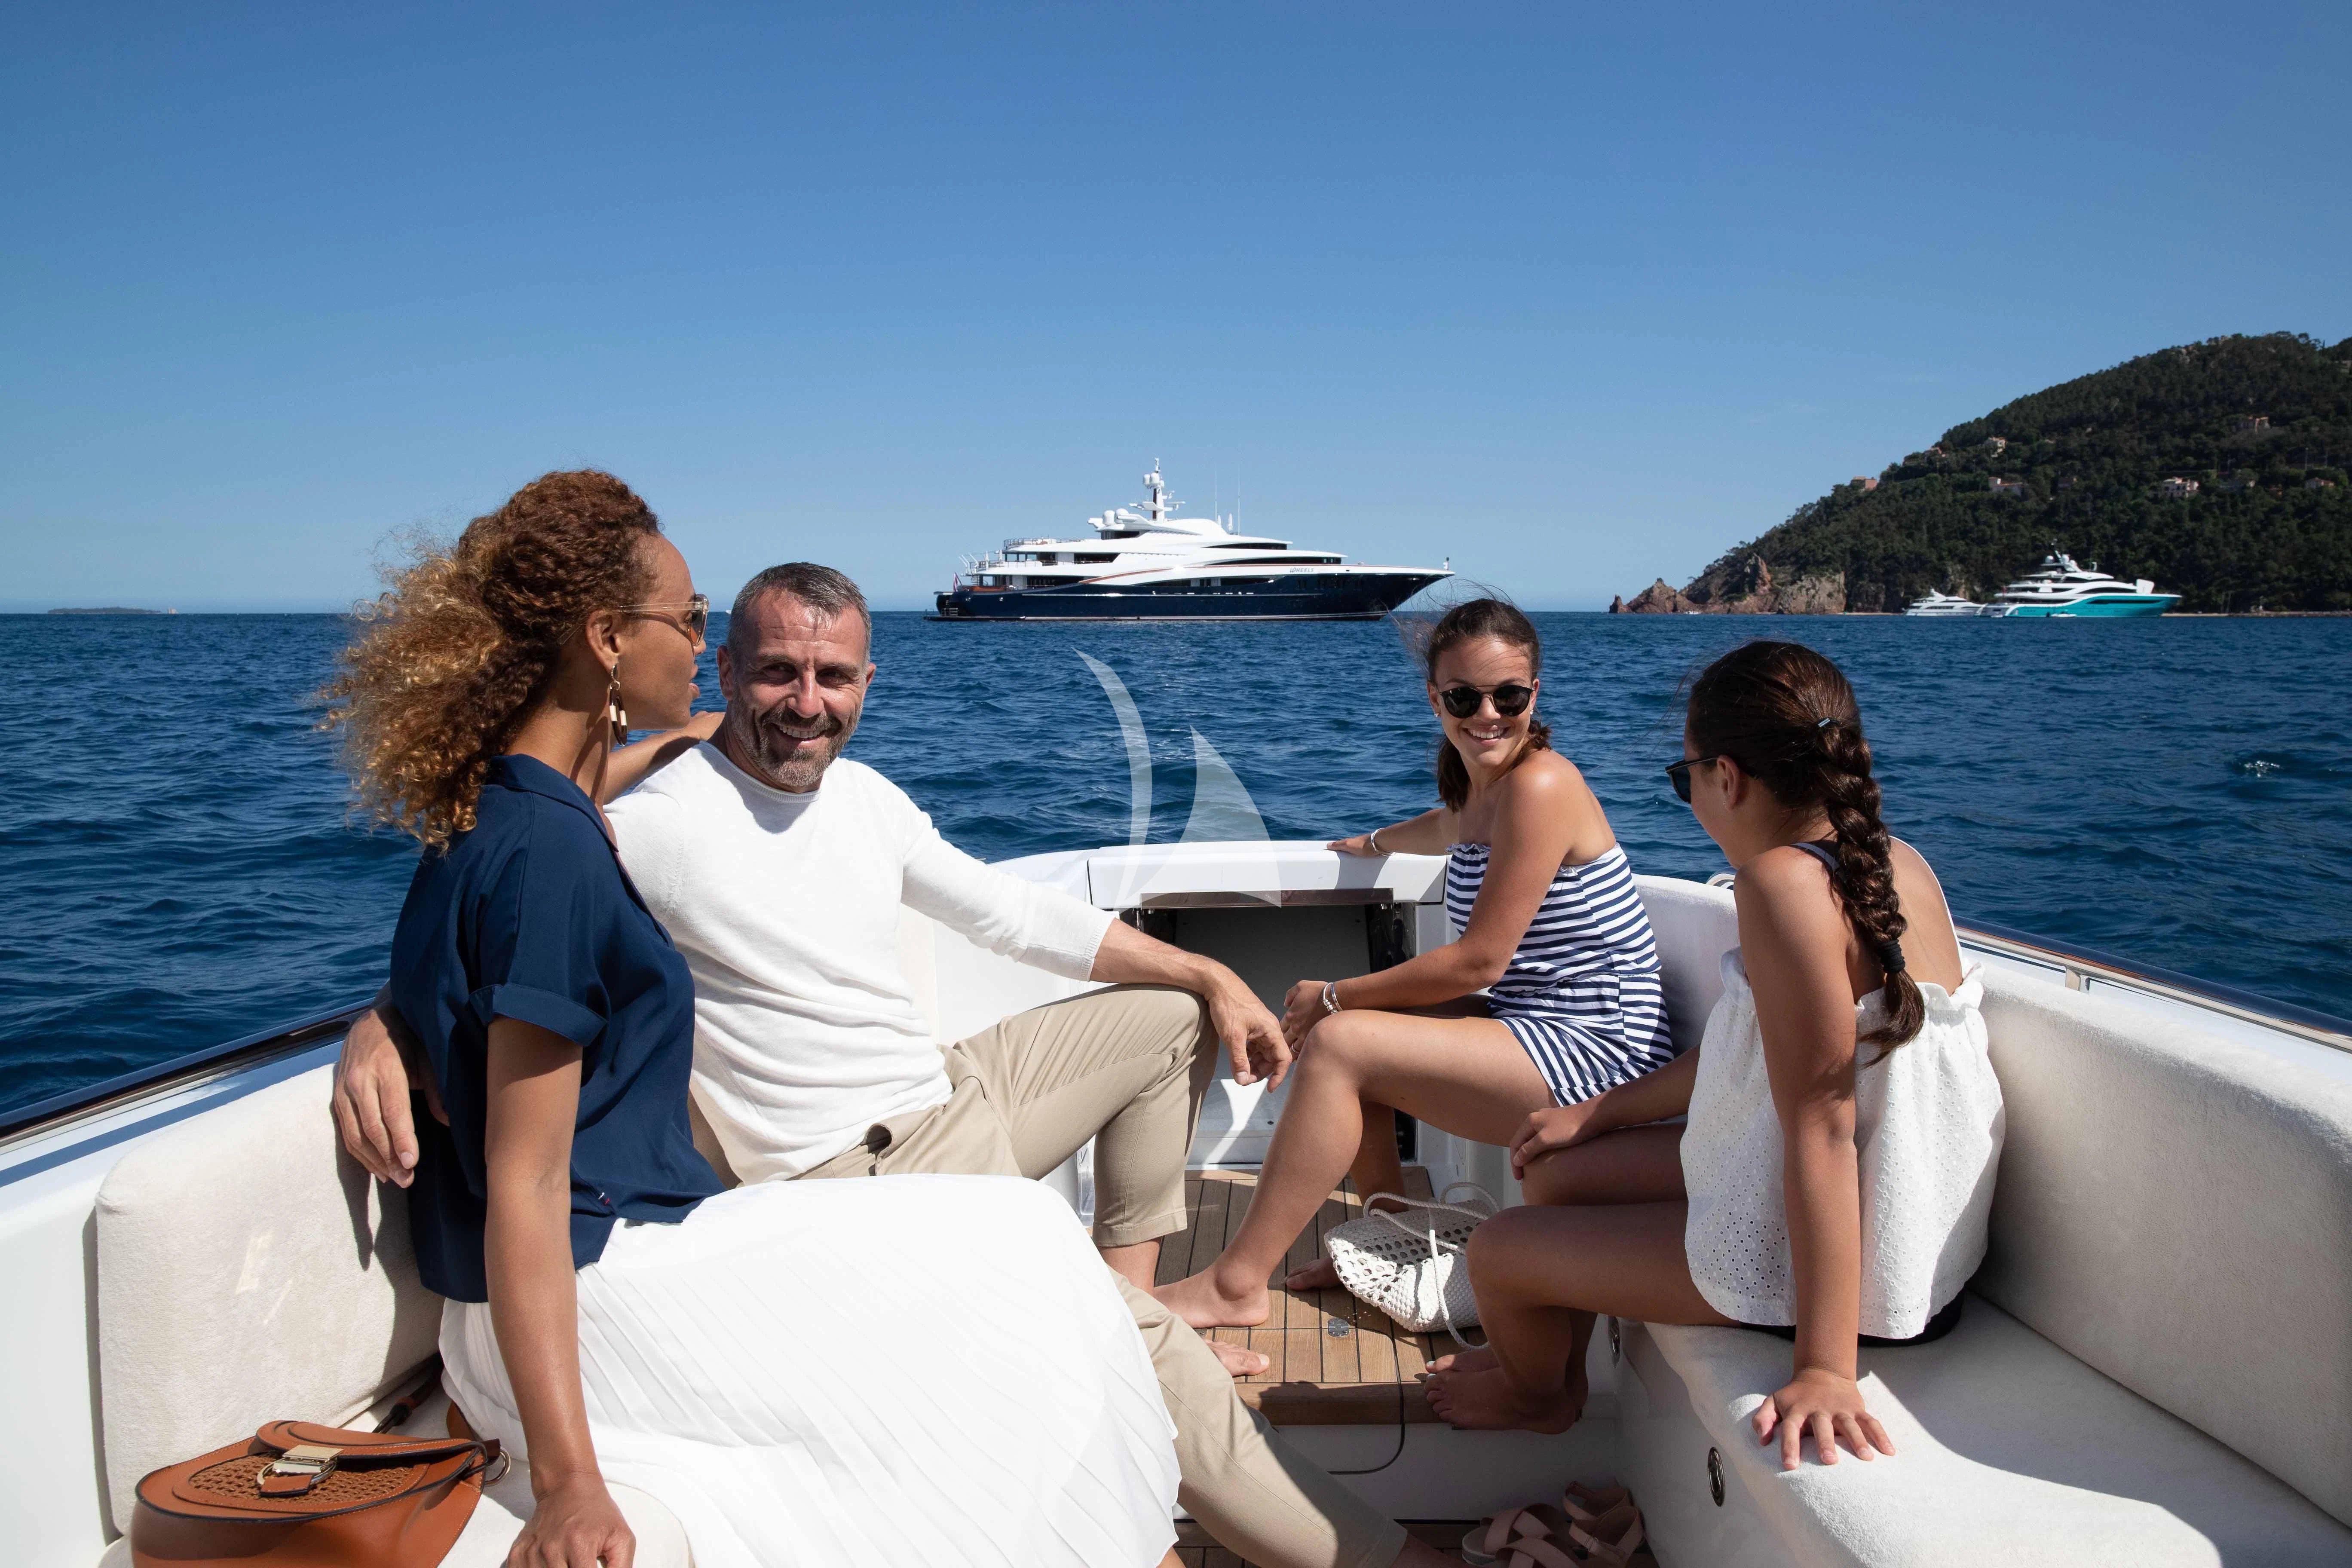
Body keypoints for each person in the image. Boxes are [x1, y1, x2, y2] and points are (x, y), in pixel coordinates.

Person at [337, 558, 1455, 1568]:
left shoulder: (864, 803)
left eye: (835, 676)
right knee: (1150, 1357)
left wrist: (1208, 976)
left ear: (871, 679)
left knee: (1167, 1016)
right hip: (851, 1179)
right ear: (725, 668)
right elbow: (512, 896)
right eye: (777, 672)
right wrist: (391, 1014)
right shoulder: (661, 822)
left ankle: (1127, 1294)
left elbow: (1014, 915)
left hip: (950, 1094)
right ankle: (1372, 1556)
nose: (808, 702)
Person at [1421, 640, 2005, 1473]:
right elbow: (1771, 1053)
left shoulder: (1780, 887)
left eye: (1682, 776)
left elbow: (1825, 1130)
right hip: (1899, 1225)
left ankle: (1539, 1398)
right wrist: (1597, 1112)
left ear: (1726, 777)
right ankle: (1547, 1360)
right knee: (1554, 1167)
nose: (1689, 794)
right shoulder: (1893, 861)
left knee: (1497, 1255)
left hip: (1858, 1277)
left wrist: (1824, 1369)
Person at [1155, 597, 1676, 1330]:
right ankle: (1386, 1240)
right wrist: (1370, 843)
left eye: (1509, 696)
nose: (1487, 713)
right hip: (1540, 1027)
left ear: (1536, 695)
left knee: (1341, 1039)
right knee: (1358, 1030)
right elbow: (1443, 828)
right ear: (1435, 699)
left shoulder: (1543, 784)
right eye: (1464, 697)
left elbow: (1479, 963)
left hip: (1604, 1054)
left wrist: (1334, 995)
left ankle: (1236, 1284)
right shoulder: (1482, 795)